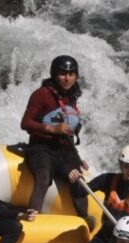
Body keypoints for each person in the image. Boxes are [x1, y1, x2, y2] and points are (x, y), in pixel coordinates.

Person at [20, 55, 89, 217]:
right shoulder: (41, 94)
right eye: (63, 73)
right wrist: (52, 129)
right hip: (41, 148)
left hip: (65, 150)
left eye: (71, 74)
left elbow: (68, 133)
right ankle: (31, 216)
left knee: (78, 181)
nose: (67, 78)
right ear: (54, 74)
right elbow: (25, 123)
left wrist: (77, 159)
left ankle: (85, 221)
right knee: (43, 178)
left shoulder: (72, 96)